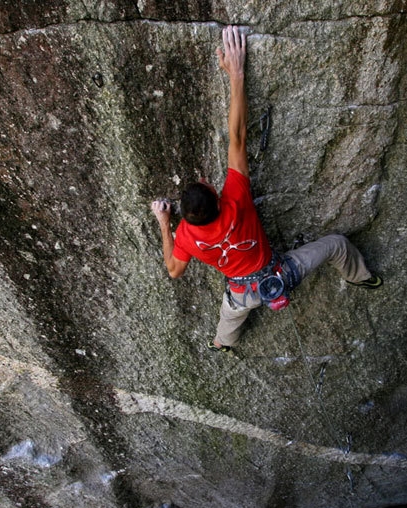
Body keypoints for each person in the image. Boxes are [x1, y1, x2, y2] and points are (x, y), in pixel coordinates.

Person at [151, 25, 382, 353]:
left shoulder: (186, 236)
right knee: (337, 245)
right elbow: (238, 136)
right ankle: (363, 277)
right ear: (216, 195)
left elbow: (173, 272)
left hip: (242, 294)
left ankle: (222, 343)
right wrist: (236, 74)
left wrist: (164, 223)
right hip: (279, 276)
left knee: (228, 320)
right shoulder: (236, 198)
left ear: (185, 218)